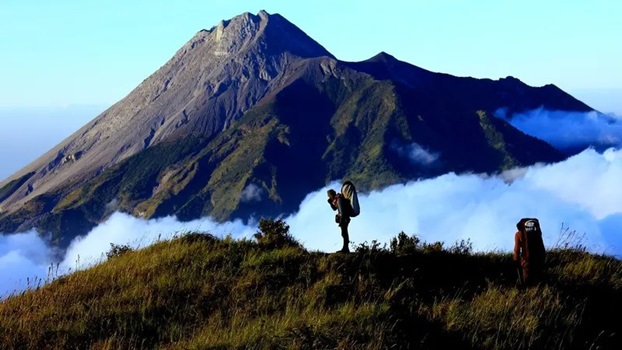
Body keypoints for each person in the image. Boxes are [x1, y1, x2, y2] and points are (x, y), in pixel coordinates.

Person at [513, 218, 546, 286]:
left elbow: (517, 250)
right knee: (539, 281)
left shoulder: (518, 234)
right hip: (539, 260)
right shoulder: (537, 232)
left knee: (527, 282)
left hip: (527, 261)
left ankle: (529, 293)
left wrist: (516, 260)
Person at [327, 188, 353, 253]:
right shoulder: (337, 200)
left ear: (331, 195)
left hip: (344, 218)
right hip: (345, 218)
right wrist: (330, 203)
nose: (329, 198)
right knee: (344, 233)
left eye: (329, 196)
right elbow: (335, 209)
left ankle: (346, 249)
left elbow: (342, 212)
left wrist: (341, 222)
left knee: (344, 233)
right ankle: (345, 248)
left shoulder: (339, 200)